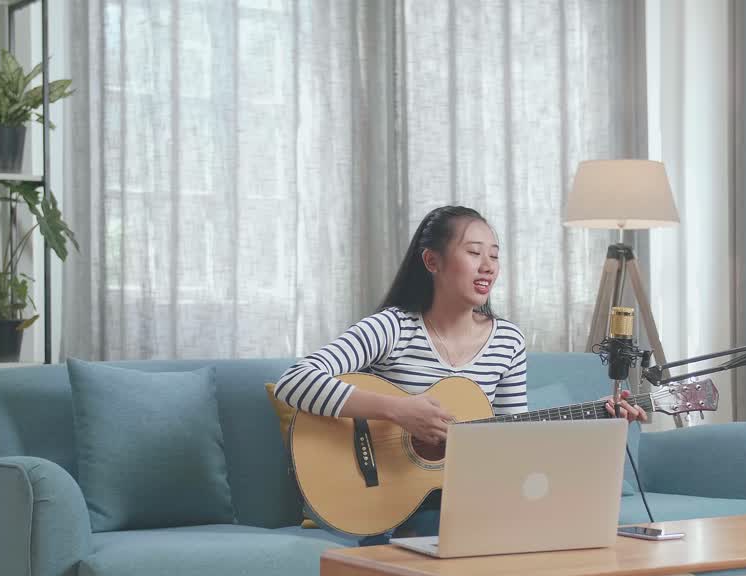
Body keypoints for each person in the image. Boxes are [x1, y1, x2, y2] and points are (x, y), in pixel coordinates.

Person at [274, 205, 646, 544]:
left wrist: (595, 418)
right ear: (432, 262)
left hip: (468, 497)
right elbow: (295, 381)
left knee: (562, 519)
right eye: (473, 252)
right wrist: (396, 411)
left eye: (494, 256)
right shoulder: (392, 328)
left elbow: (513, 436)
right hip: (388, 501)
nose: (488, 265)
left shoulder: (507, 340)